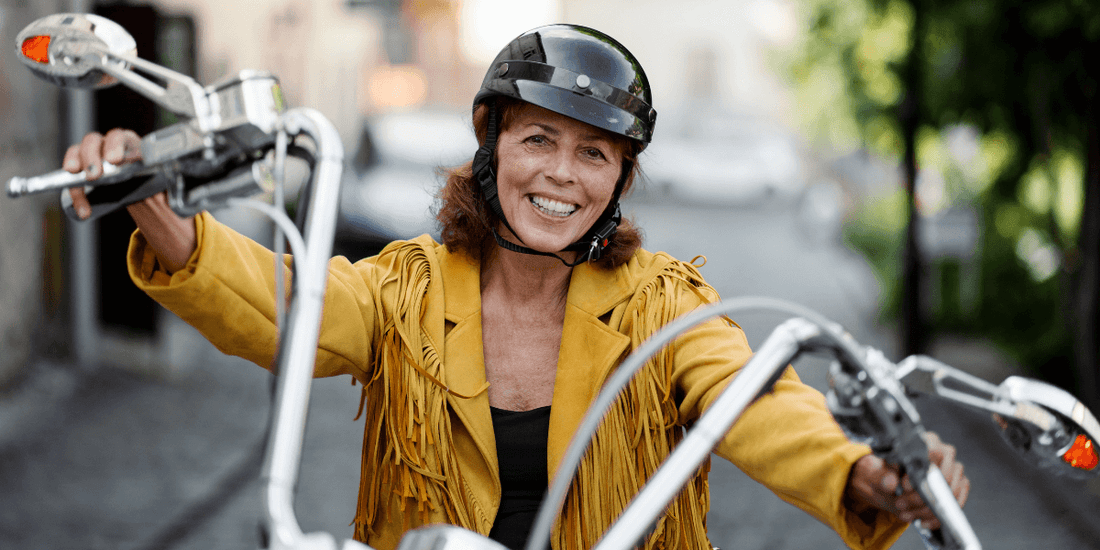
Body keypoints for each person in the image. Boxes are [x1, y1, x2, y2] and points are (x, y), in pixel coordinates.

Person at [65, 24, 969, 550]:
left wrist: (860, 472)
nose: (563, 176)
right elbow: (286, 309)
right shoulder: (407, 288)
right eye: (539, 140)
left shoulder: (665, 303)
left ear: (619, 178)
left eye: (595, 154)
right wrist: (157, 214)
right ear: (492, 149)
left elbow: (759, 403)